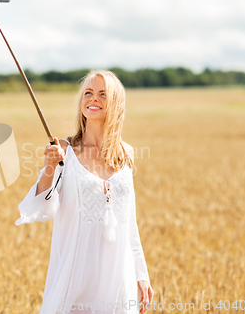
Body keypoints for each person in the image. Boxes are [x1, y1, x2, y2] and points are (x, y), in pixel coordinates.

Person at [15, 70, 154, 314]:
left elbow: (129, 222)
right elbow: (43, 205)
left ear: (115, 103)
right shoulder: (66, 150)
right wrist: (50, 166)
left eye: (103, 94)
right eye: (88, 93)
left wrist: (140, 274)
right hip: (77, 274)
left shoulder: (127, 153)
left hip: (117, 276)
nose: (93, 99)